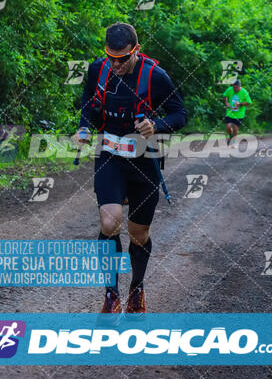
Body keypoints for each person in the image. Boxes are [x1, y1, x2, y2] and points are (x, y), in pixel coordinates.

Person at [73, 22, 187, 316]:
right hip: (110, 155)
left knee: (139, 234)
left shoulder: (155, 76)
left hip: (145, 161)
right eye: (111, 57)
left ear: (136, 50)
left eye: (123, 58)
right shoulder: (98, 70)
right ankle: (111, 294)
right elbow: (87, 102)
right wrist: (84, 127)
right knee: (109, 224)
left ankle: (136, 288)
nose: (117, 64)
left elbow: (180, 113)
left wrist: (157, 125)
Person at [223, 79, 252, 146]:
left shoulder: (244, 92)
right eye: (234, 87)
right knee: (228, 127)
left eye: (236, 87)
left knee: (235, 129)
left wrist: (240, 104)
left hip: (239, 114)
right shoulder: (230, 89)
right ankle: (230, 136)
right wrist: (226, 103)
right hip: (230, 112)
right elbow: (225, 96)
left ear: (240, 86)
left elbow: (249, 102)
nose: (235, 89)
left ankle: (233, 141)